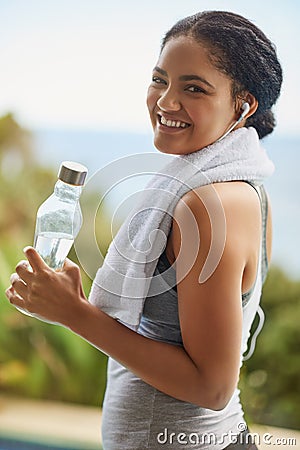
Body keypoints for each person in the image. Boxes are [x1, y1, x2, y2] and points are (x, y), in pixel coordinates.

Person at [6, 10, 282, 450]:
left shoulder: (209, 205)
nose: (166, 102)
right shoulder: (247, 188)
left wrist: (74, 313)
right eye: (160, 80)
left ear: (243, 105)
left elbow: (211, 388)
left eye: (194, 88)